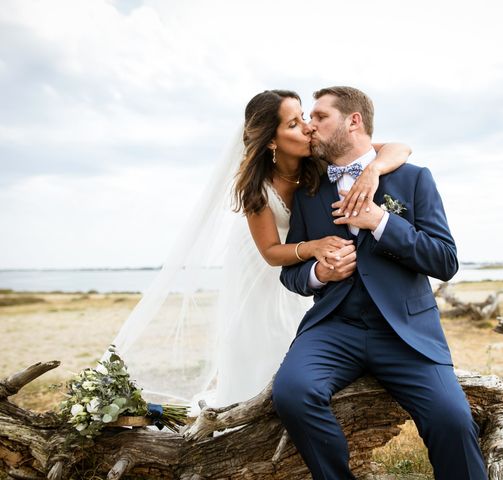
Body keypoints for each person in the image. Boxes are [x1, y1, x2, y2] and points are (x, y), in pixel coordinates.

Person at [110, 89, 410, 409]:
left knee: (300, 332)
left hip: (301, 260)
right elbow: (269, 251)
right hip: (260, 263)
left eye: (305, 117)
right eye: (294, 124)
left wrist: (373, 171)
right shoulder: (257, 186)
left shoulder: (321, 158)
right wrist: (313, 247)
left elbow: (400, 148)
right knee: (262, 337)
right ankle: (247, 408)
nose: (308, 127)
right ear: (272, 140)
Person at [273, 86, 487, 479]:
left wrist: (382, 222)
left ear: (353, 121)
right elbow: (291, 275)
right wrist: (321, 273)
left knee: (453, 419)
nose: (310, 126)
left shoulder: (414, 179)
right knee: (290, 392)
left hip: (406, 332)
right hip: (335, 328)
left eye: (320, 117)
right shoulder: (309, 194)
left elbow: (445, 260)